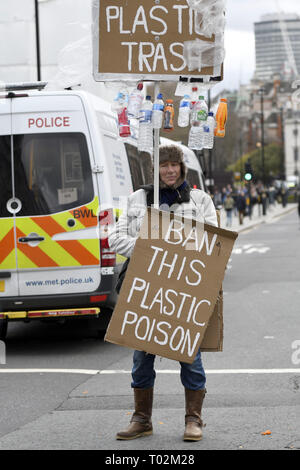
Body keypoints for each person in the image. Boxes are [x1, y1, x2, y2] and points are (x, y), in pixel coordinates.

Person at [108, 145, 217, 442]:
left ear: (182, 168)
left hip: (182, 289)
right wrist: (148, 250)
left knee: (189, 355)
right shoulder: (137, 199)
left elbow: (213, 241)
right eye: (164, 165)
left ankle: (194, 420)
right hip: (144, 288)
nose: (170, 170)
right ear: (156, 169)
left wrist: (178, 249)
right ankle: (141, 419)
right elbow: (115, 237)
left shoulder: (199, 200)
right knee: (141, 358)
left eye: (174, 165)